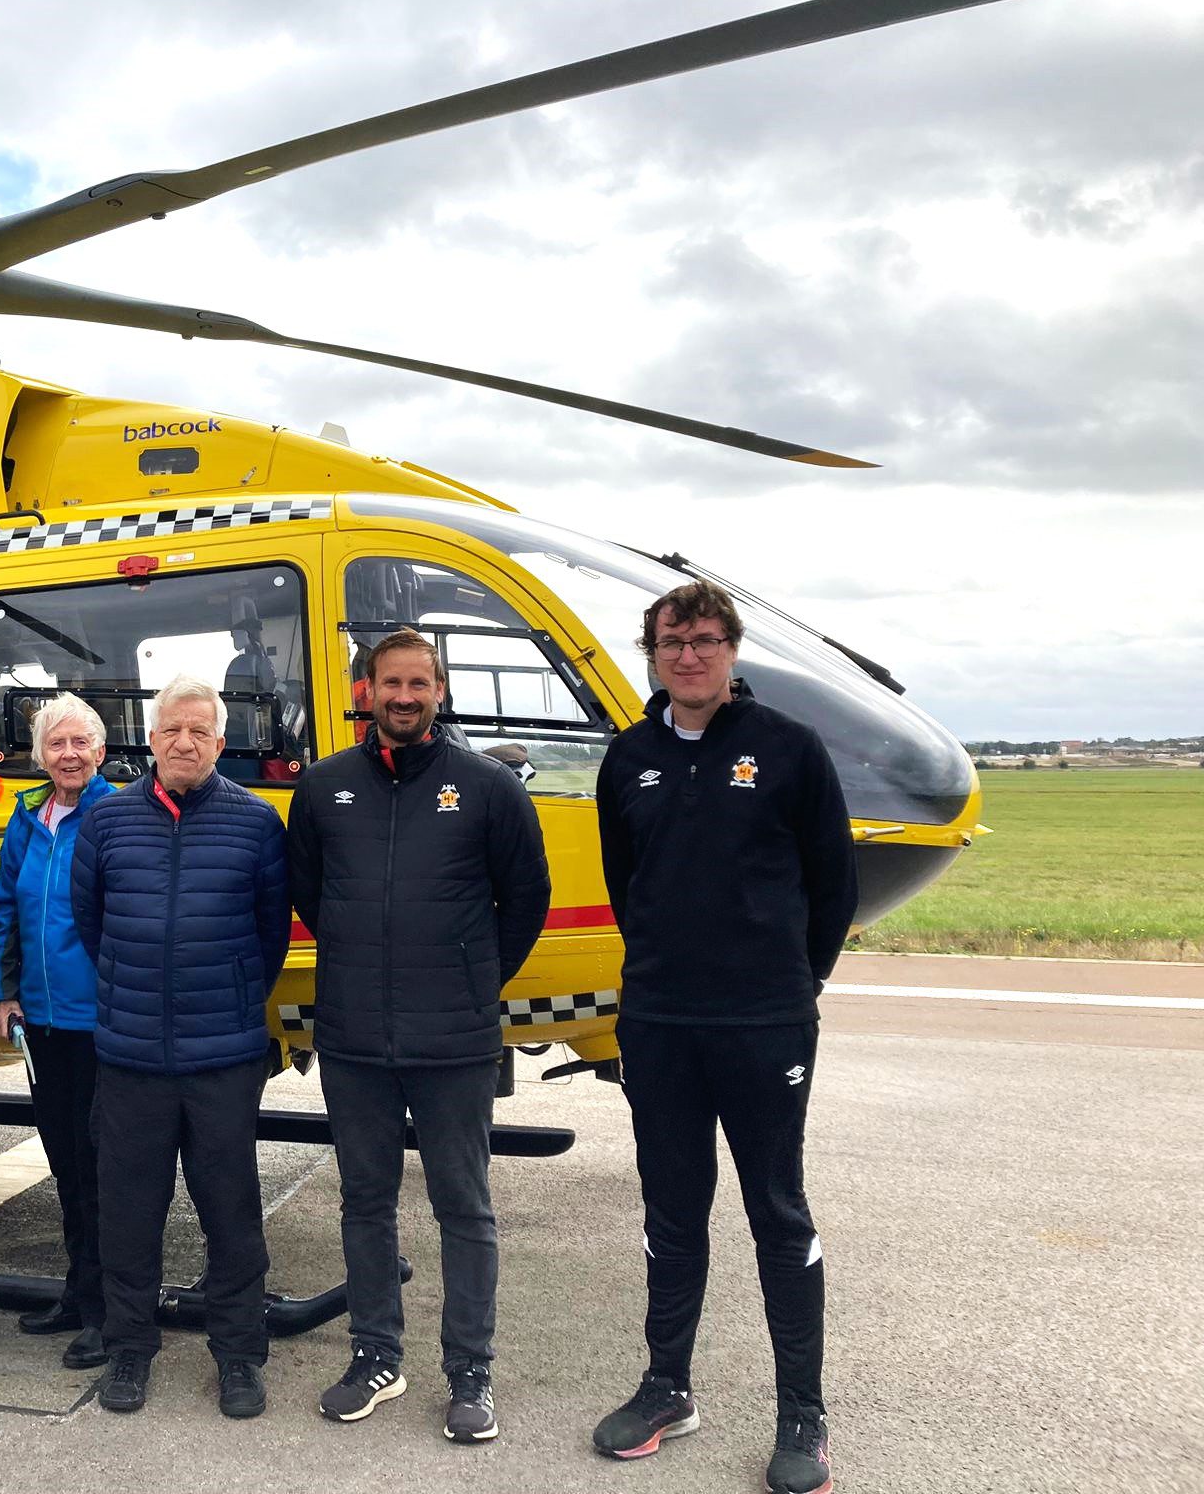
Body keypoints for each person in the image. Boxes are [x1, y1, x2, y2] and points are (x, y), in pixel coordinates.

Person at [590, 579, 856, 1494]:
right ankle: (668, 1387)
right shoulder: (627, 758)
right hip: (661, 1022)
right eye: (672, 643)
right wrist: (668, 971)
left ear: (731, 650)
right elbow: (631, 889)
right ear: (653, 654)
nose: (689, 656)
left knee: (776, 1213)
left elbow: (835, 883)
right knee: (671, 1212)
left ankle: (803, 1416)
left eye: (705, 640)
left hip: (765, 1022)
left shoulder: (788, 750)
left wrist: (793, 981)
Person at [286, 627, 550, 1443]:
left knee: (463, 1208)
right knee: (363, 1203)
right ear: (366, 690)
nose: (404, 697)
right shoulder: (323, 786)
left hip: (456, 1041)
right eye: (390, 683)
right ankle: (376, 1357)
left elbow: (527, 899)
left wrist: (472, 982)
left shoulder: (488, 786)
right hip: (356, 1037)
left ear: (438, 692)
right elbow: (310, 897)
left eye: (419, 684)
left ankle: (470, 1372)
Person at [70, 675, 290, 1419]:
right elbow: (91, 922)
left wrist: (226, 996)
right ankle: (129, 1349)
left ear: (221, 743)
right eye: (172, 729)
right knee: (129, 1212)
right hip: (130, 1055)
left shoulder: (257, 823)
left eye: (200, 731)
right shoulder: (108, 823)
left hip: (222, 1057)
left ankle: (238, 1355)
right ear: (151, 738)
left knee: (232, 1212)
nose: (185, 742)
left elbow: (269, 936)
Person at [0, 692, 117, 1371]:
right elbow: (7, 910)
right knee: (67, 1166)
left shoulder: (120, 814)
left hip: (102, 1026)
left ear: (99, 750)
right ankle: (77, 1291)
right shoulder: (29, 816)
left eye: (79, 743)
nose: (68, 754)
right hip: (42, 1027)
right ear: (41, 756)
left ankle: (107, 1312)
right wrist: (0, 993)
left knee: (102, 1171)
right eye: (55, 744)